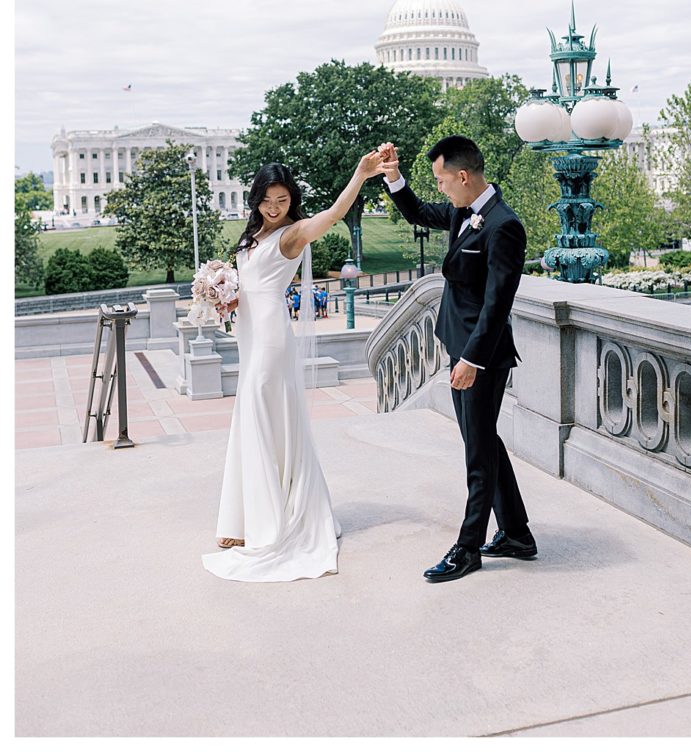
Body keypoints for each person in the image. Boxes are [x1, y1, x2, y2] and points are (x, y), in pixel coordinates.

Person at [203, 151, 385, 582]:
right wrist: (220, 292)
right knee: (251, 418)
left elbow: (337, 212)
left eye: (282, 200)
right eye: (267, 199)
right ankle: (243, 520)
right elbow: (245, 282)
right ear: (256, 198)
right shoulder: (251, 236)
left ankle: (268, 523)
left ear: (291, 200)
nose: (273, 207)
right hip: (249, 331)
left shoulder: (293, 234)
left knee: (264, 413)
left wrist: (360, 173)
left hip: (269, 335)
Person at [379, 135, 534, 584]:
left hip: (480, 359)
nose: (441, 189)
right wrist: (394, 177)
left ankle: (468, 549)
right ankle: (518, 534)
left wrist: (471, 359)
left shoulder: (503, 226)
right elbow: (418, 212)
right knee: (485, 442)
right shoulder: (463, 213)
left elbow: (497, 304)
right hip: (459, 347)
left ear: (463, 176)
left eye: (443, 180)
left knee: (477, 453)